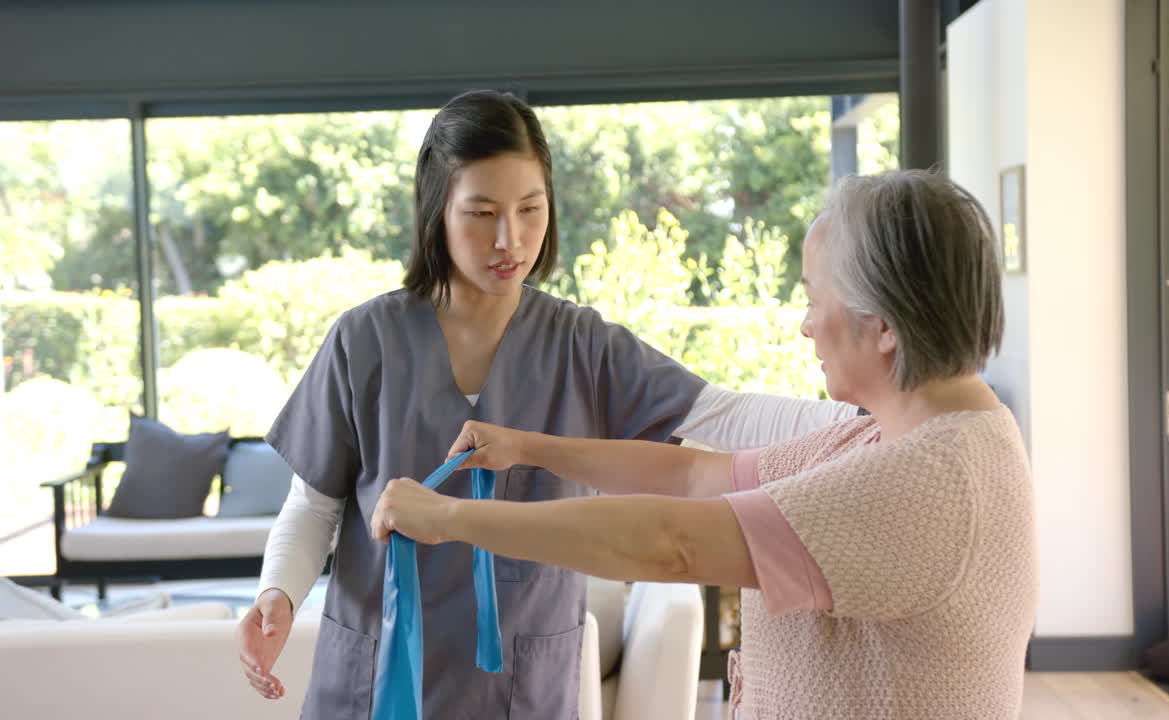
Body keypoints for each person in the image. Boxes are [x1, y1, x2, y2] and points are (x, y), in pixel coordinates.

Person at [236, 89, 857, 719]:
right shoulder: (364, 341)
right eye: (481, 213)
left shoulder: (582, 346)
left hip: (522, 686)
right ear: (436, 211)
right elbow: (313, 503)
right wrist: (279, 593)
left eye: (530, 209)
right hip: (377, 679)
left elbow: (723, 417)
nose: (510, 239)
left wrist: (872, 420)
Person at [375, 169, 1039, 719]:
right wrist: (528, 448)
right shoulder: (891, 437)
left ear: (885, 325)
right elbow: (697, 477)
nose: (807, 326)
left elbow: (675, 543)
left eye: (814, 300)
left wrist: (454, 518)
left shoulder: (926, 480)